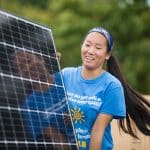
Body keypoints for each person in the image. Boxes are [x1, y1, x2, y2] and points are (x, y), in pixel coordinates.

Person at [60, 27, 150, 150]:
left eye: (98, 48)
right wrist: (50, 63)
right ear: (82, 47)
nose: (91, 51)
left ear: (107, 54)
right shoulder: (65, 75)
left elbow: (98, 131)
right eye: (87, 45)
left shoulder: (112, 86)